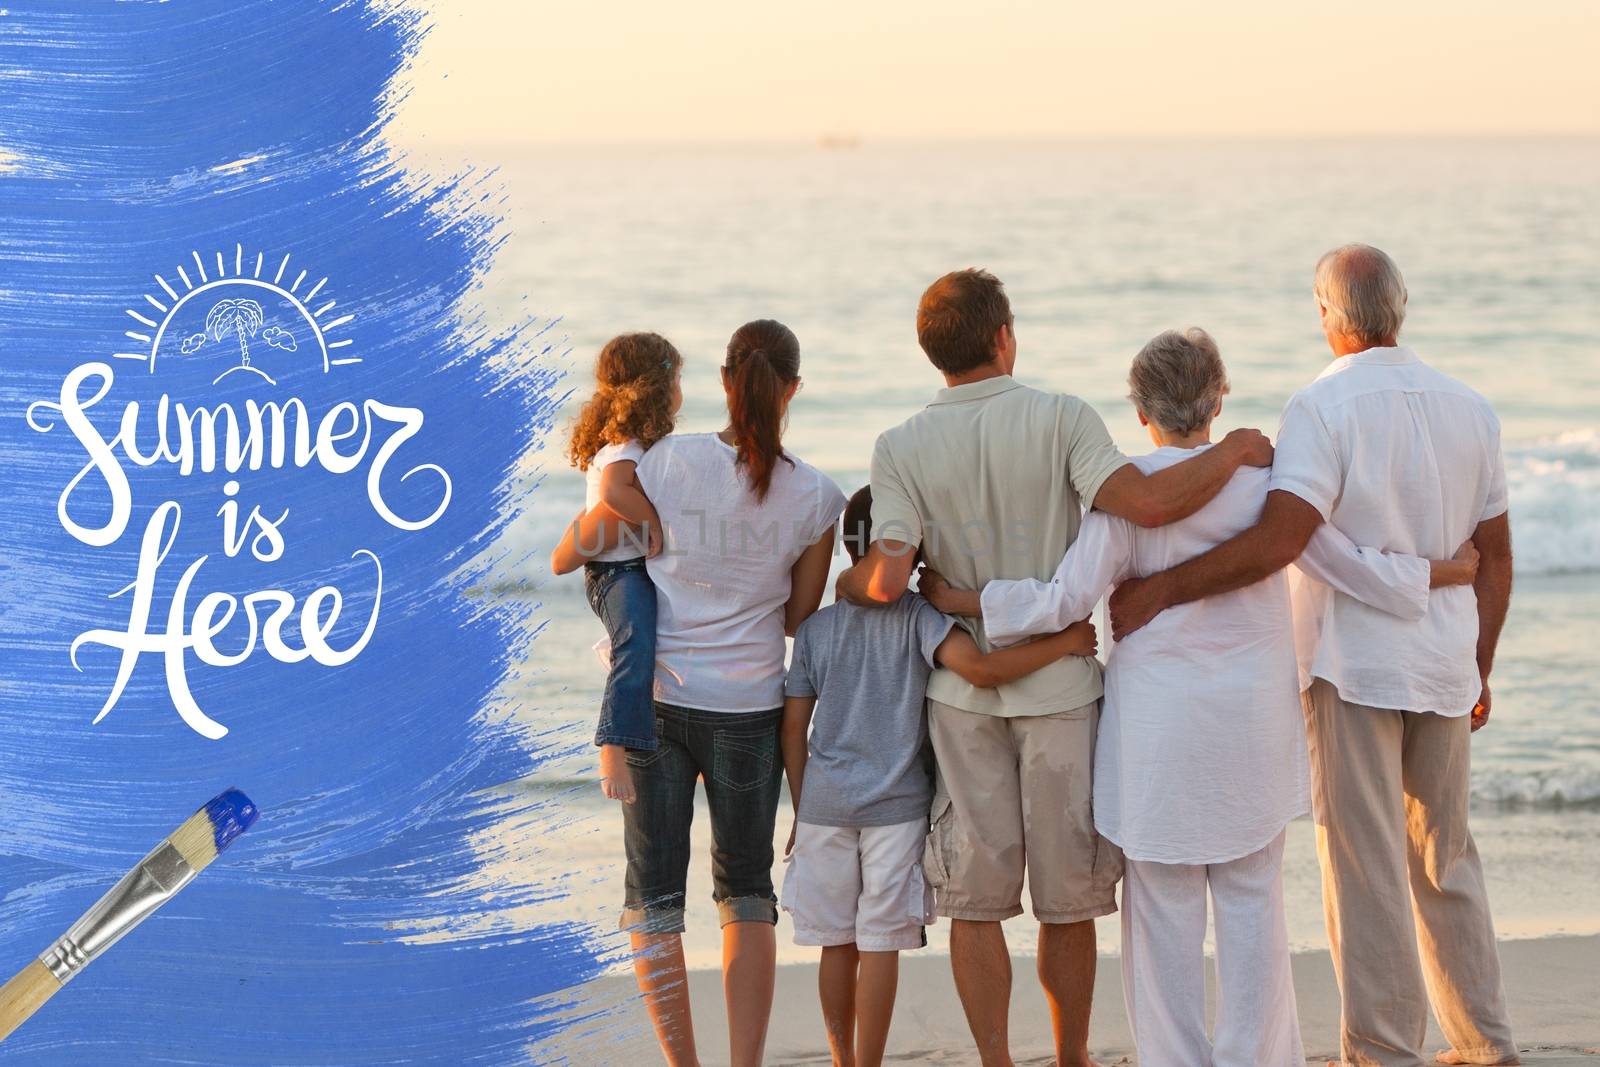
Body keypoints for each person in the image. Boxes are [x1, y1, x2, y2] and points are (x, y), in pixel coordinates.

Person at [922, 327, 1479, 1067]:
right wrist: (1437, 575)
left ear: (1140, 409)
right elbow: (1342, 564)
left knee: (1162, 921)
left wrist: (961, 598)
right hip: (1251, 726)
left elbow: (1063, 599)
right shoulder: (1265, 486)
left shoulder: (1125, 495)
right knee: (1254, 910)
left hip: (1158, 733)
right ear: (1220, 398)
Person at [836, 268, 1274, 1067]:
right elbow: (1144, 504)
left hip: (963, 694)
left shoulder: (897, 445)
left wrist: (843, 583)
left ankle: (999, 1062)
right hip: (1064, 691)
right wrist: (1242, 448)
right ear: (1004, 337)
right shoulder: (1063, 416)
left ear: (933, 352)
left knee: (976, 899)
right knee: (1066, 899)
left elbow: (891, 577)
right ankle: (1072, 1057)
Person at [1110, 247, 1519, 1067]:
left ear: (1331, 317)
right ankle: (1486, 1044)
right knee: (1447, 856)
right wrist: (1480, 661)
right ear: (1398, 308)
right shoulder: (1472, 407)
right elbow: (1497, 553)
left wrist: (1164, 590)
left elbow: (1284, 539)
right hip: (1442, 663)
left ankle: (1383, 1050)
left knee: (1364, 862)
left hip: (1355, 664)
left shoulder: (1321, 408)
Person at [781, 485, 1100, 1067]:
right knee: (879, 943)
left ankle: (842, 1060)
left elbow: (793, 730)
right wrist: (1065, 643)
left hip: (824, 808)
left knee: (836, 943)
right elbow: (978, 670)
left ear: (847, 550)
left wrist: (802, 809)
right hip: (895, 810)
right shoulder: (917, 618)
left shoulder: (814, 632)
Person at [603, 319, 846, 1067]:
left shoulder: (668, 461)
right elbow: (800, 616)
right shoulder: (817, 495)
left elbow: (610, 496)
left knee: (654, 900)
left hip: (658, 704)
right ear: (793, 389)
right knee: (746, 891)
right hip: (749, 707)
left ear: (724, 380)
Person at [550, 332, 683, 802]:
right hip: (616, 572)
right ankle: (612, 744)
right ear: (658, 389)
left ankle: (676, 741)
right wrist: (652, 524)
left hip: (631, 568)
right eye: (678, 379)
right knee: (637, 643)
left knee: (666, 647)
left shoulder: (639, 445)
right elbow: (612, 495)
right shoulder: (625, 446)